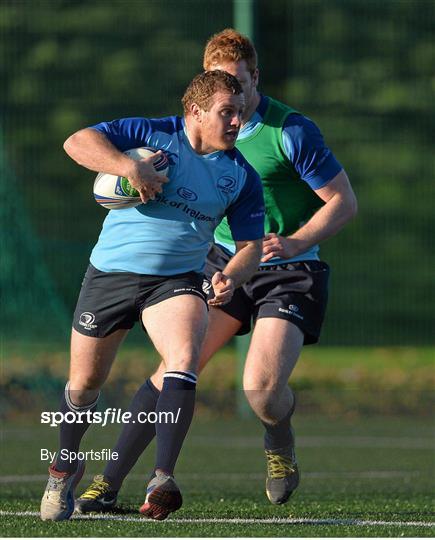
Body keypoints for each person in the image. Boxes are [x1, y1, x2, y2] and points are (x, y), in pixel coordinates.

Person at [75, 28, 357, 514]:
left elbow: (343, 202)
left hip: (289, 268)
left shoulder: (290, 131)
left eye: (240, 85)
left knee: (263, 390)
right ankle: (109, 483)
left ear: (255, 81)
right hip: (222, 261)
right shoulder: (195, 130)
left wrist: (296, 240)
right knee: (174, 369)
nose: (233, 97)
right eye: (220, 84)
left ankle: (278, 439)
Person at [39, 69, 265, 522]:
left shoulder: (241, 176)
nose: (237, 122)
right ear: (196, 112)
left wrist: (231, 277)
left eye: (240, 113)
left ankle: (162, 476)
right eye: (227, 112)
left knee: (183, 359)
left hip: (177, 281)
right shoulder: (151, 133)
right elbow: (75, 142)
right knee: (83, 388)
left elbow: (251, 249)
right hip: (110, 277)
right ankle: (64, 467)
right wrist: (129, 167)